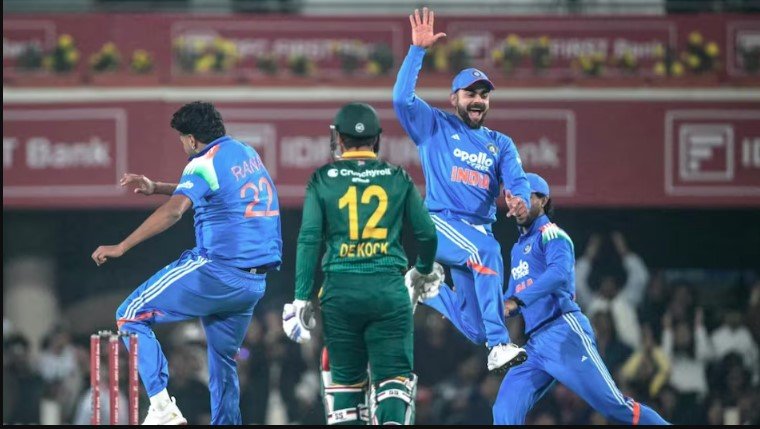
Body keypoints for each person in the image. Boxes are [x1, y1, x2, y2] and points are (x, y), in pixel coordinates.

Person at [91, 101, 282, 425]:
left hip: (217, 270)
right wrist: (157, 188)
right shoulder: (245, 153)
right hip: (252, 284)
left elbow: (175, 211)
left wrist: (122, 246)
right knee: (222, 362)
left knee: (130, 315)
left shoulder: (202, 163)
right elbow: (212, 190)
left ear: (192, 139)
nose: (182, 146)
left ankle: (162, 407)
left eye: (182, 139)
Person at [282, 102, 441, 425]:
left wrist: (301, 297)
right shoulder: (398, 177)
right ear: (377, 139)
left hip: (340, 294)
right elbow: (427, 234)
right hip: (388, 290)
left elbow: (309, 240)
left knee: (345, 389)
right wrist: (423, 270)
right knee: (394, 381)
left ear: (339, 139)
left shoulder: (322, 179)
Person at [393, 7, 531, 372]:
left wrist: (519, 200)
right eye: (470, 93)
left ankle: (430, 289)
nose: (478, 100)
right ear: (454, 98)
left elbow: (517, 180)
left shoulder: (500, 143)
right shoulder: (434, 126)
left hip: (476, 233)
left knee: (475, 328)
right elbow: (401, 100)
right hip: (440, 223)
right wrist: (417, 51)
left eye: (484, 95)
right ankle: (500, 344)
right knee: (488, 251)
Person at [490, 173, 668, 424]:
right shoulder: (518, 248)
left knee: (614, 407)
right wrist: (479, 305)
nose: (518, 203)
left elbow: (558, 274)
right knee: (504, 409)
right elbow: (510, 297)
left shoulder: (552, 234)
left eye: (526, 197)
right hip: (535, 345)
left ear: (543, 200)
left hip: (564, 331)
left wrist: (517, 301)